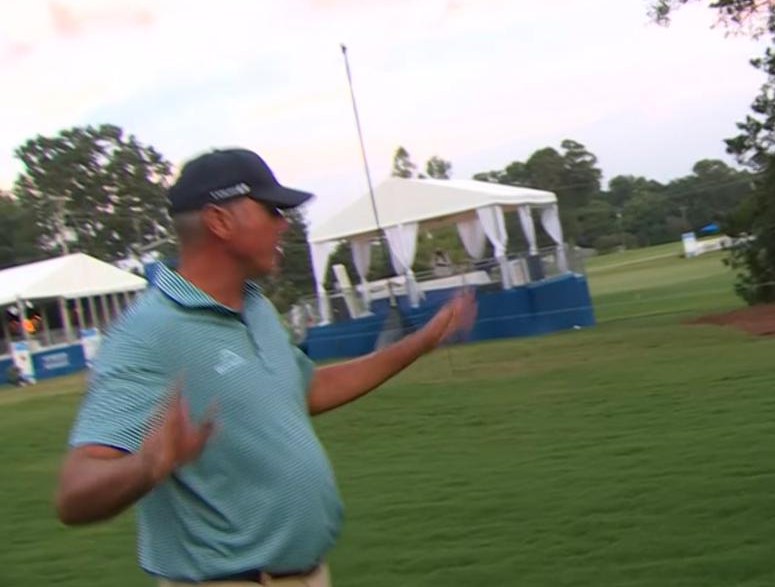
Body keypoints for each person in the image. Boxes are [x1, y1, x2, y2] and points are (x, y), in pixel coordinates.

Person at [54, 148, 477, 586]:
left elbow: (307, 388)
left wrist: (421, 342)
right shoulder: (148, 333)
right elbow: (73, 493)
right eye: (272, 210)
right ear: (219, 221)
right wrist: (147, 465)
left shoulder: (254, 306)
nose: (284, 222)